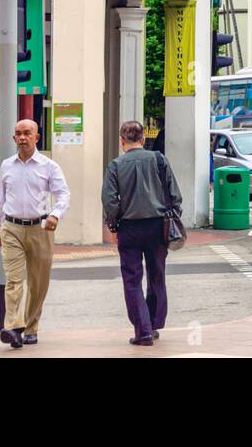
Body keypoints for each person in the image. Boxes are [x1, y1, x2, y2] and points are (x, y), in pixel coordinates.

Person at [0, 118, 70, 349]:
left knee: (38, 282)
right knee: (14, 280)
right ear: (13, 138)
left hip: (40, 228)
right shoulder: (6, 165)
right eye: (18, 133)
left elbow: (63, 194)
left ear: (36, 137)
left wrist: (55, 214)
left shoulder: (49, 166)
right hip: (11, 228)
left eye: (27, 133)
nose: (22, 137)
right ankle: (14, 327)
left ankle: (31, 327)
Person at [103, 120, 183, 346]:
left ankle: (143, 330)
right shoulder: (158, 159)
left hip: (129, 227)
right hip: (158, 226)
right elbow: (175, 194)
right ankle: (154, 324)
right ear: (143, 139)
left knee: (132, 279)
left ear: (121, 141)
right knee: (157, 275)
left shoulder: (115, 165)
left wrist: (115, 224)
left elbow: (109, 200)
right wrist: (171, 215)